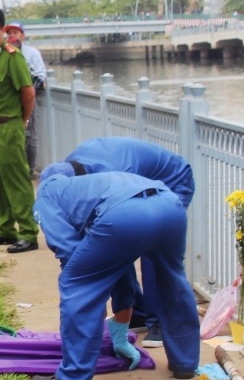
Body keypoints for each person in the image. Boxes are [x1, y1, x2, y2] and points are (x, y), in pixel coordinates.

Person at [29, 167, 201, 380]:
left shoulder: (46, 196)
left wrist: (91, 302)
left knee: (76, 282)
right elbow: (118, 263)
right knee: (171, 280)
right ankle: (185, 363)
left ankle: (74, 377)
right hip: (170, 205)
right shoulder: (90, 184)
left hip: (124, 213)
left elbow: (68, 252)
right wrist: (121, 322)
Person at [58, 138, 196, 354]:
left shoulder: (113, 175)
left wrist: (103, 304)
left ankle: (158, 321)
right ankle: (137, 313)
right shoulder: (72, 172)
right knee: (115, 243)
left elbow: (118, 248)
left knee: (154, 248)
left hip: (172, 181)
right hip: (136, 191)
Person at [0, 8, 38, 252]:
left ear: (2, 30)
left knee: (17, 181)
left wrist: (21, 121)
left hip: (8, 125)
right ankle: (5, 229)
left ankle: (28, 232)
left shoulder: (13, 57)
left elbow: (28, 93)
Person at [5, 22, 48, 173]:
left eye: (15, 32)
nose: (12, 35)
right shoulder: (3, 53)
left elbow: (41, 77)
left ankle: (29, 169)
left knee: (30, 136)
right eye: (9, 33)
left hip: (28, 99)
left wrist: (26, 82)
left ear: (22, 35)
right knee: (12, 135)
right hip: (10, 102)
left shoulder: (32, 53)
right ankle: (15, 168)